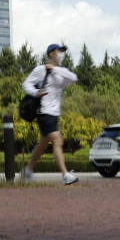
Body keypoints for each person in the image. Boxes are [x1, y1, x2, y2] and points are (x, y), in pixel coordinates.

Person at [21, 44, 79, 185]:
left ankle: (27, 171)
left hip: (54, 113)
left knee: (44, 143)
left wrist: (55, 69)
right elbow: (26, 84)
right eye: (59, 51)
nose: (61, 54)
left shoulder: (60, 71)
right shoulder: (40, 70)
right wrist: (36, 92)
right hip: (44, 111)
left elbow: (73, 78)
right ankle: (65, 175)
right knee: (58, 141)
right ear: (51, 54)